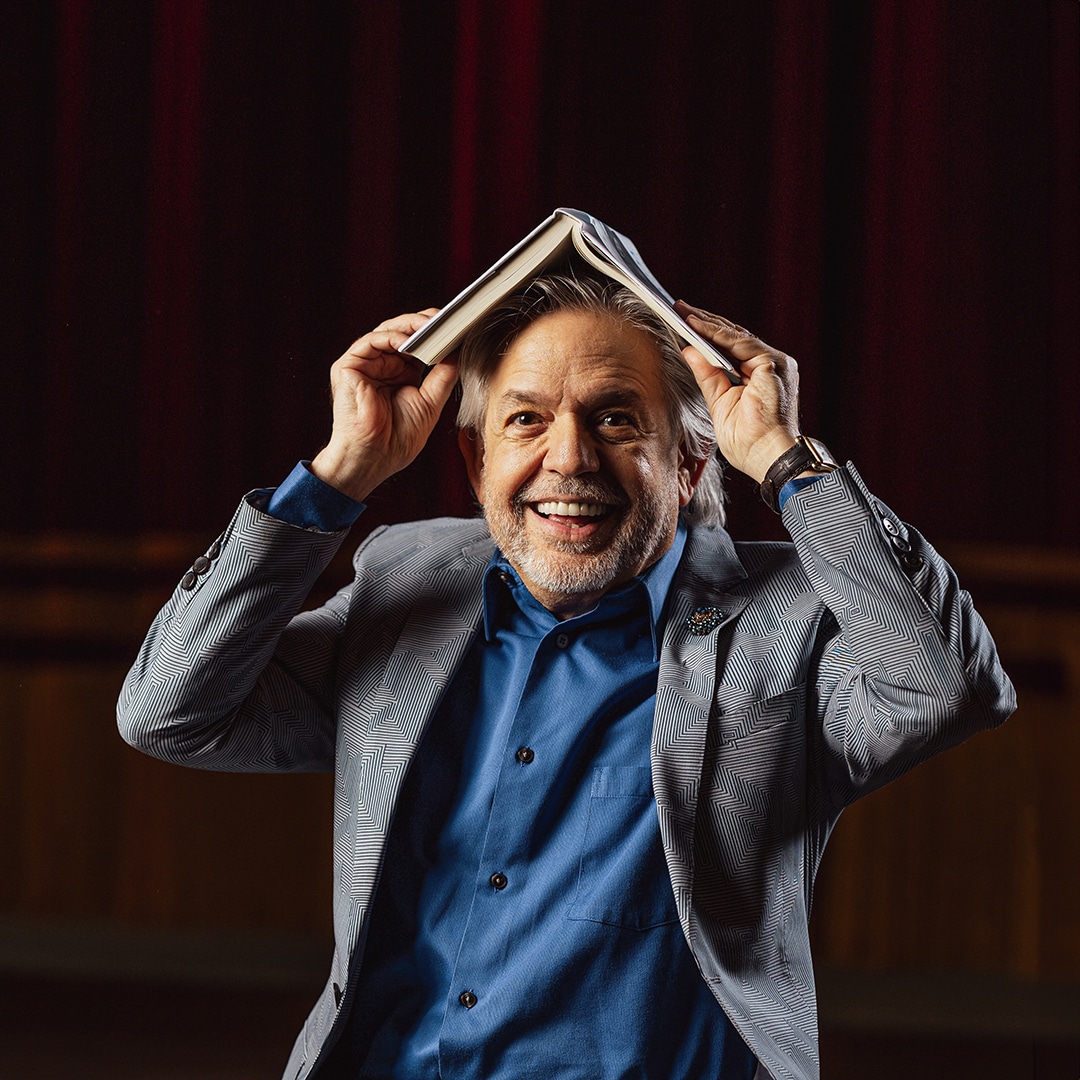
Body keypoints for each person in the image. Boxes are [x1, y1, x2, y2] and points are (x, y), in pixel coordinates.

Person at [117, 273, 1014, 1080]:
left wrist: (788, 460)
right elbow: (170, 712)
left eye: (617, 418)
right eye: (526, 420)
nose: (570, 458)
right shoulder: (406, 581)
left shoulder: (789, 618)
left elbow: (948, 686)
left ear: (690, 462)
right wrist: (337, 476)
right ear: (475, 463)